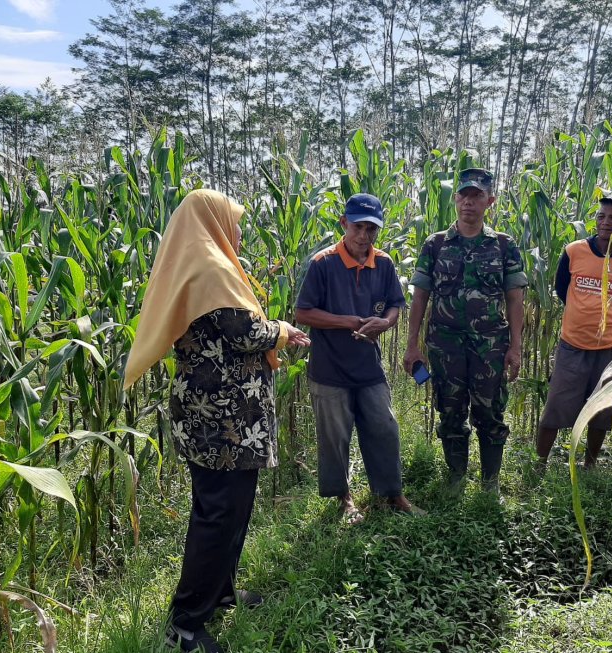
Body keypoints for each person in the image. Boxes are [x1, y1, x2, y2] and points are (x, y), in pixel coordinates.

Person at [123, 189, 310, 653]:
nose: (239, 231)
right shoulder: (210, 269)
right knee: (218, 513)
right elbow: (243, 332)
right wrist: (282, 331)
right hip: (220, 420)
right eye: (235, 221)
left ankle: (220, 593)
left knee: (232, 509)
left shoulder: (204, 263)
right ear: (212, 221)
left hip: (226, 417)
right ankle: (185, 623)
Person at [295, 193, 423, 525]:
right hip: (329, 367)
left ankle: (392, 494)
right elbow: (303, 312)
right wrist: (349, 321)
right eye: (358, 227)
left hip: (368, 366)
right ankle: (344, 499)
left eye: (371, 229)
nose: (364, 236)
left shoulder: (384, 263)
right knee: (335, 438)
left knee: (384, 427)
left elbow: (395, 304)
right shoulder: (323, 263)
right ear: (344, 224)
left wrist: (386, 322)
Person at [403, 168, 527, 494]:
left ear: (490, 201)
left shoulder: (503, 246)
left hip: (490, 346)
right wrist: (412, 345)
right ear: (455, 199)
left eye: (477, 196)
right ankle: (456, 478)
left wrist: (516, 347)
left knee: (490, 411)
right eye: (464, 196)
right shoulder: (435, 244)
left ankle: (490, 483)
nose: (469, 202)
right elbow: (420, 296)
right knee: (450, 410)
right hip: (445, 346)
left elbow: (515, 299)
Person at [535, 193, 612, 468]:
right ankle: (539, 464)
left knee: (602, 410)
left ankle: (589, 465)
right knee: (556, 407)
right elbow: (562, 289)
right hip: (572, 345)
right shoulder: (574, 251)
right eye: (601, 216)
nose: (606, 222)